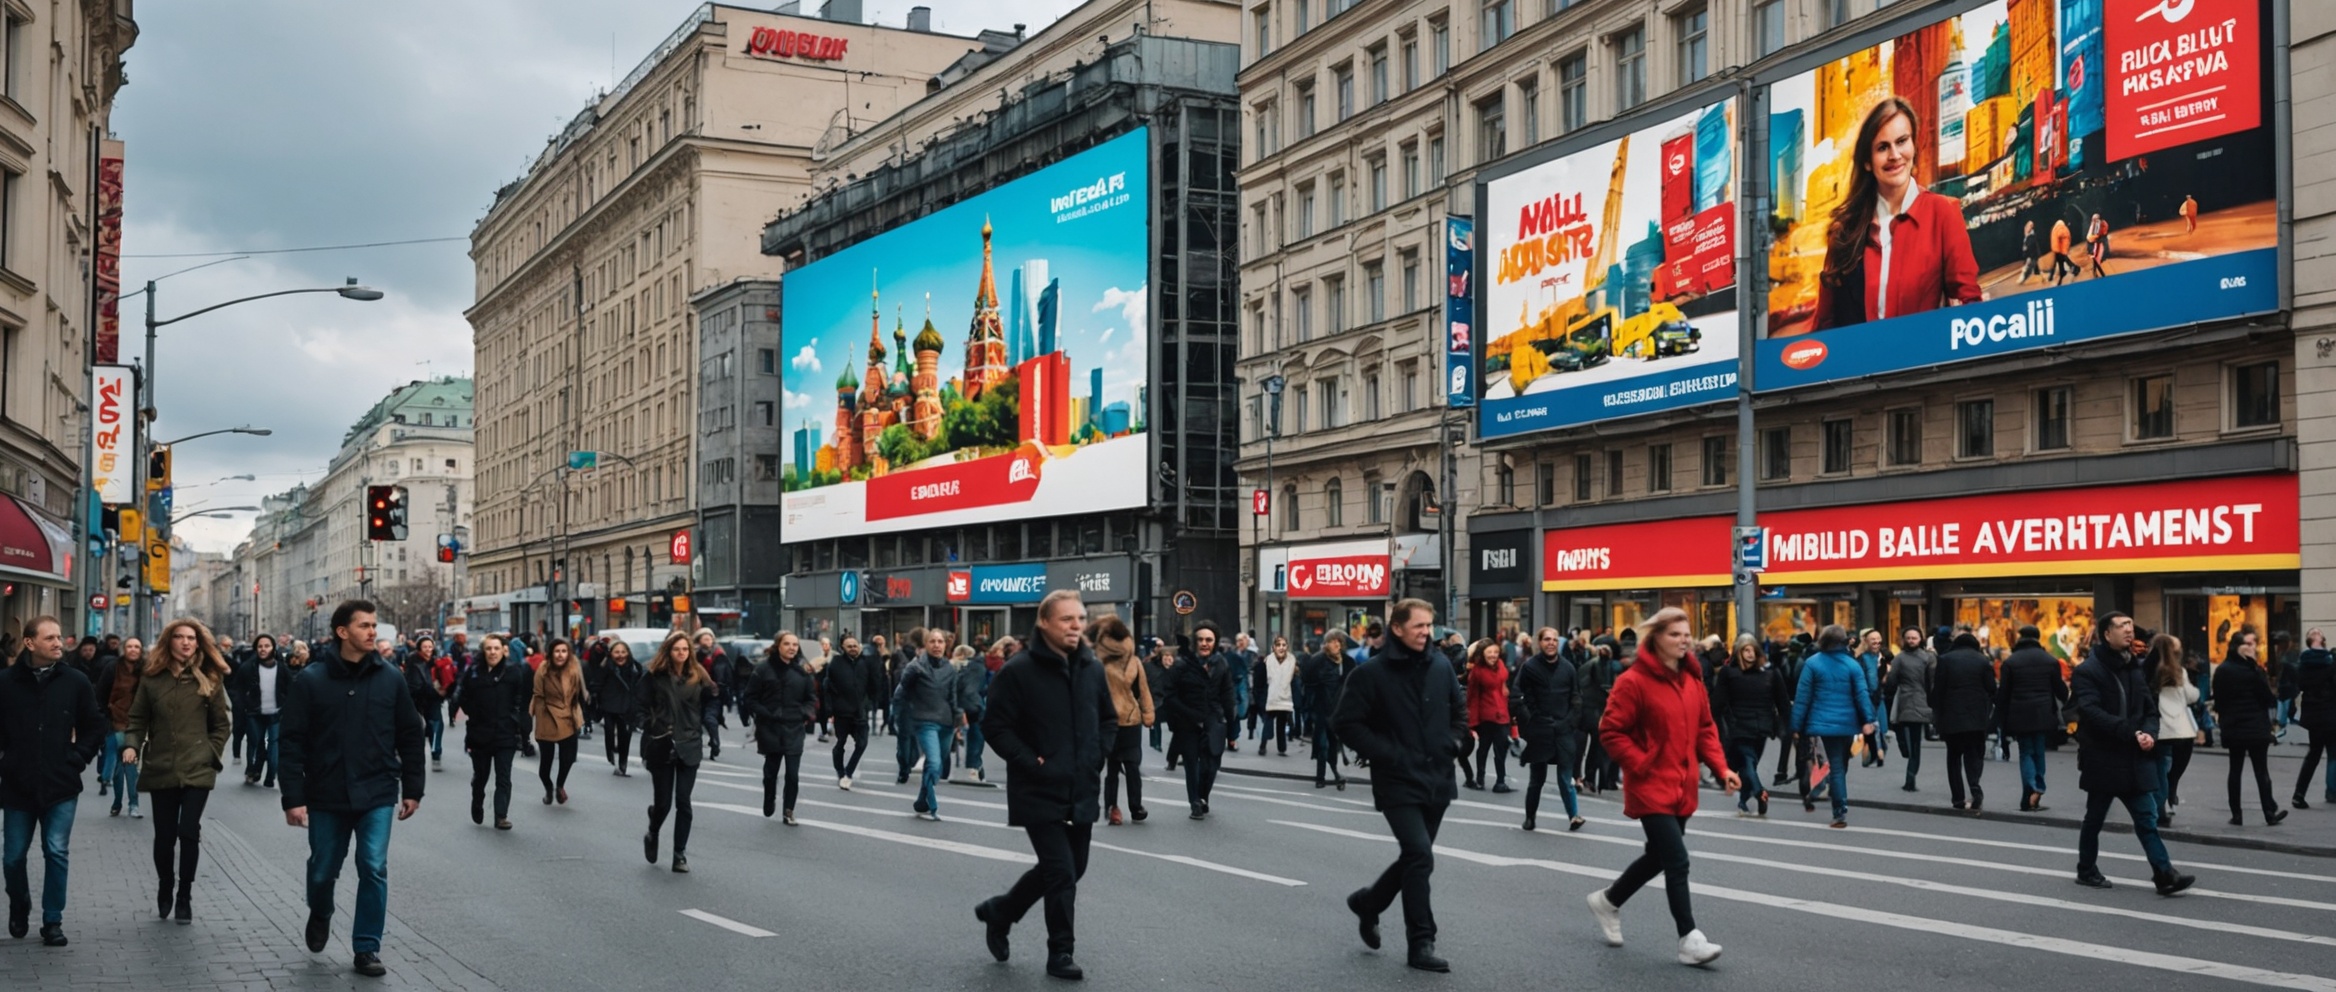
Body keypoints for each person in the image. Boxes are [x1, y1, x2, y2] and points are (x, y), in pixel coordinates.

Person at [974, 589, 1116, 981]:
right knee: (1060, 872)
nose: (1076, 626)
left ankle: (1000, 911)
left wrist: (1097, 754)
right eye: (1067, 619)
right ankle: (1060, 954)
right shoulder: (1019, 670)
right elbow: (995, 726)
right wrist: (1030, 761)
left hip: (1082, 784)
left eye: (1081, 618)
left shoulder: (1092, 668)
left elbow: (1108, 718)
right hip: (1039, 787)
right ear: (1044, 623)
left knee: (1074, 868)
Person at [280, 601, 425, 977]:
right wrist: (293, 798)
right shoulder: (311, 680)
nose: (372, 632)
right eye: (364, 626)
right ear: (342, 632)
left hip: (377, 790)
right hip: (327, 793)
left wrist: (413, 787)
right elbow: (291, 741)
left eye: (374, 625)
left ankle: (366, 947)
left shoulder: (390, 677)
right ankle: (322, 910)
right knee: (322, 870)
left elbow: (410, 734)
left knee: (373, 866)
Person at [1586, 608, 1737, 967]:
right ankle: (1689, 939)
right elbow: (1611, 731)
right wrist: (1640, 763)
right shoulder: (1634, 681)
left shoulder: (1692, 681)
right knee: (1677, 860)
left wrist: (1720, 767)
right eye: (1675, 634)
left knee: (1659, 856)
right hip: (1649, 785)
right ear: (1655, 639)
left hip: (1681, 785)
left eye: (1687, 634)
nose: (1684, 640)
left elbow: (1705, 729)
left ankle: (1608, 900)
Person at [1334, 600, 1465, 973]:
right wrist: (1388, 753)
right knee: (1420, 855)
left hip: (1438, 778)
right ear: (1397, 628)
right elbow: (1345, 723)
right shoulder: (1371, 674)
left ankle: (1368, 904)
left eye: (1430, 625)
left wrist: (1455, 743)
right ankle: (1421, 943)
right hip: (1397, 781)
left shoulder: (1441, 666)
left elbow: (1459, 711)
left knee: (1414, 859)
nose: (1427, 632)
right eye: (1420, 626)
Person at [1811, 97, 1980, 330]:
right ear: (1868, 162)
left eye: (1902, 141)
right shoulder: (1845, 231)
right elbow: (1825, 323)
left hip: (1922, 362)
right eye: (1882, 147)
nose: (1895, 155)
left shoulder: (1943, 212)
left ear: (1913, 145)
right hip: (1858, 364)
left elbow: (1969, 302)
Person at [2070, 613, 2195, 895]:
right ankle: (2086, 869)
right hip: (2103, 757)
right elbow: (2090, 712)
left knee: (2146, 817)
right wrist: (2131, 732)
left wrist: (2150, 732)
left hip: (2135, 757)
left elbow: (2150, 708)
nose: (2129, 631)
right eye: (2122, 627)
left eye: (2130, 626)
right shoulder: (2088, 670)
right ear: (2106, 634)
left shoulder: (2134, 668)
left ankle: (2164, 873)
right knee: (2095, 817)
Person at [1, 617, 107, 947]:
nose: (59, 643)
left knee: (56, 851)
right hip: (18, 784)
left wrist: (77, 759)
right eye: (50, 638)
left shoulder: (75, 681)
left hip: (61, 783)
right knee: (13, 857)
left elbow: (94, 725)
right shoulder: (6, 682)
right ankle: (19, 904)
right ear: (30, 644)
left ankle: (52, 921)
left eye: (60, 637)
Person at [121, 618, 234, 924]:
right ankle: (165, 885)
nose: (186, 643)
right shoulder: (152, 677)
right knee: (164, 836)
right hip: (162, 765)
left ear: (199, 643)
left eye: (192, 638)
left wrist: (211, 752)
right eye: (180, 637)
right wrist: (131, 745)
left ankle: (184, 894)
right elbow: (137, 718)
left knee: (188, 831)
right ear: (168, 641)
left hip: (198, 765)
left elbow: (221, 724)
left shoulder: (209, 677)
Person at [1790, 625, 1876, 828]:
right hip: (1848, 723)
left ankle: (1839, 809)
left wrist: (1795, 725)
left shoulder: (1812, 664)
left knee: (1837, 765)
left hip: (1824, 723)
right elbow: (1862, 695)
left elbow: (1802, 698)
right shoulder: (1852, 664)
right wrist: (1868, 720)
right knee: (1840, 765)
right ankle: (1840, 805)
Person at [641, 630, 712, 870]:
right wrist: (650, 725)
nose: (681, 653)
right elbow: (638, 705)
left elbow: (713, 700)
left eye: (685, 649)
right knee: (663, 804)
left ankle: (679, 854)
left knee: (684, 801)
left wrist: (708, 721)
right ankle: (653, 831)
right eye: (676, 649)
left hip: (690, 744)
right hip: (662, 743)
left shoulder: (698, 675)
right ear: (668, 651)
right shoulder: (654, 676)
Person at [2211, 628, 2286, 826]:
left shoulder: (2223, 670)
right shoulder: (2254, 670)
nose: (2253, 648)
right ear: (2239, 647)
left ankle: (2236, 815)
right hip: (2255, 727)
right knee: (2261, 771)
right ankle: (2269, 813)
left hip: (2234, 727)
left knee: (2235, 770)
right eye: (2249, 644)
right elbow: (2268, 698)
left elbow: (2219, 701)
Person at [458, 634, 531, 830]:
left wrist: (518, 724)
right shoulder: (474, 672)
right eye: (489, 648)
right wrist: (474, 713)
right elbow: (462, 696)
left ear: (503, 650)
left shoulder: (514, 672)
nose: (492, 652)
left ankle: (501, 815)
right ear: (484, 651)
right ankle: (477, 800)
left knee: (504, 776)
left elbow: (521, 701)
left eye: (496, 648)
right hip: (479, 733)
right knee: (481, 775)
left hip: (505, 733)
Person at [1711, 634, 1788, 818]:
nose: (1750, 654)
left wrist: (1788, 726)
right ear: (1738, 652)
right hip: (1740, 728)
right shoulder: (1729, 674)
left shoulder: (1768, 674)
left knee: (1749, 764)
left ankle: (1746, 800)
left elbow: (1782, 702)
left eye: (1753, 650)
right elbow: (1717, 704)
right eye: (1746, 650)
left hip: (1759, 728)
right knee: (1747, 762)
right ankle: (1758, 793)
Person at [1164, 623, 1236, 819]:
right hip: (1188, 721)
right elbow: (1169, 695)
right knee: (1191, 763)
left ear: (1215, 642)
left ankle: (1203, 796)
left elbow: (1228, 694)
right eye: (1201, 640)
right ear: (1195, 642)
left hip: (1214, 718)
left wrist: (1232, 728)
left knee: (1211, 764)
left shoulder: (1221, 663)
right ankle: (1195, 801)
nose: (1205, 643)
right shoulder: (1182, 664)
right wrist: (1185, 714)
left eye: (1209, 640)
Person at [1516, 627, 1583, 831]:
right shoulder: (1529, 668)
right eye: (1546, 639)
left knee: (1565, 777)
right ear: (1539, 642)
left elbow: (1576, 697)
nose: (1551, 643)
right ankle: (1530, 817)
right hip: (1540, 730)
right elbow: (1517, 697)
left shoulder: (1568, 668)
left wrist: (1570, 721)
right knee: (1537, 779)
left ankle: (1574, 816)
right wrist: (1529, 723)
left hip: (1563, 729)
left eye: (1554, 639)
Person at [1996, 626, 2069, 812]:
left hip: (2019, 713)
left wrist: (1999, 719)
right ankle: (2036, 790)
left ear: (2020, 638)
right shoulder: (2050, 660)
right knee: (2039, 751)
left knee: (2026, 752)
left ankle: (2031, 791)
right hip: (2044, 712)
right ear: (2038, 638)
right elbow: (2061, 690)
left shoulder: (2011, 662)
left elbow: (2003, 694)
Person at [746, 633, 815, 823]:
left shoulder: (801, 672)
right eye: (787, 644)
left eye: (795, 644)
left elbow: (811, 699)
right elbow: (750, 698)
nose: (791, 648)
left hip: (794, 728)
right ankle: (769, 799)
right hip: (770, 728)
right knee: (771, 772)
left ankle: (789, 811)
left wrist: (804, 713)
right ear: (778, 646)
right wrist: (765, 713)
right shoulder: (763, 670)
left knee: (792, 774)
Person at [894, 629, 962, 821]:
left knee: (937, 767)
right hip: (924, 721)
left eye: (940, 641)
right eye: (932, 641)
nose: (937, 645)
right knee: (933, 763)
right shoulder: (915, 667)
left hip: (946, 724)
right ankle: (932, 806)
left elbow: (953, 697)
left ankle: (922, 800)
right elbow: (901, 692)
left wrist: (957, 720)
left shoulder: (949, 668)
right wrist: (898, 716)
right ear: (926, 645)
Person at [1930, 631, 1998, 811]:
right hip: (1976, 717)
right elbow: (1991, 687)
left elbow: (1938, 690)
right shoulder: (1983, 660)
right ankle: (1975, 789)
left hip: (1951, 717)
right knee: (1973, 755)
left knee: (1953, 758)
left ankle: (1958, 798)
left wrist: (1936, 712)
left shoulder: (1945, 659)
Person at [1095, 616, 1152, 825]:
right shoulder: (1099, 664)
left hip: (1131, 721)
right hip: (1109, 722)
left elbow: (1143, 688)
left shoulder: (1135, 663)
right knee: (1113, 768)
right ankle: (1113, 808)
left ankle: (1135, 806)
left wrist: (1148, 713)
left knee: (1132, 766)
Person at [2148, 634, 2200, 825]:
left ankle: (2161, 807)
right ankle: (2171, 793)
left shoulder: (2148, 671)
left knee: (2160, 768)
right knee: (2176, 768)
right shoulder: (2179, 671)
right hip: (2182, 729)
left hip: (2160, 728)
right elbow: (2192, 696)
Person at [823, 635, 884, 790]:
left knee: (862, 743)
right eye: (848, 646)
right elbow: (827, 686)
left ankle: (848, 773)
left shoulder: (866, 662)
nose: (852, 648)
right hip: (842, 712)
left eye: (855, 645)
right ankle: (840, 771)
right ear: (843, 648)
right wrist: (830, 708)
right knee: (840, 743)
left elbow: (875, 685)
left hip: (860, 712)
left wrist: (870, 703)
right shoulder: (836, 663)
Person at [531, 638, 586, 806]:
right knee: (545, 765)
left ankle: (560, 785)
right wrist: (537, 719)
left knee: (568, 758)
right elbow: (538, 695)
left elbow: (580, 691)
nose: (560, 655)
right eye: (557, 651)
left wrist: (582, 714)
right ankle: (548, 787)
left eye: (564, 651)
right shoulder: (543, 670)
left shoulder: (574, 667)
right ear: (551, 653)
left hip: (570, 715)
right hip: (548, 715)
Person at [1300, 632, 1354, 789]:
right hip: (1321, 709)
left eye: (1339, 641)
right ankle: (1320, 777)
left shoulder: (1348, 662)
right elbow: (1307, 681)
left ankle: (1335, 773)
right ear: (1326, 644)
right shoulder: (1317, 660)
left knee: (1333, 743)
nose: (1336, 644)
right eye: (1332, 641)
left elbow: (1353, 685)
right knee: (1322, 744)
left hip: (1338, 710)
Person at [102, 638, 147, 818]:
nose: (133, 649)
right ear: (124, 649)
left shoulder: (147, 670)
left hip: (138, 723)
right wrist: (106, 715)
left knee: (127, 763)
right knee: (126, 764)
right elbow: (101, 694)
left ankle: (122, 803)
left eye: (137, 646)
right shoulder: (113, 668)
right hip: (116, 721)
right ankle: (128, 803)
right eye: (130, 646)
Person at [1886, 626, 1934, 792]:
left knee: (1910, 741)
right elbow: (1932, 682)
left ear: (1920, 639)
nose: (1911, 640)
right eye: (1909, 638)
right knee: (1915, 743)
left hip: (1910, 703)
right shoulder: (1926, 658)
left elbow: (1891, 682)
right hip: (1916, 703)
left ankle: (1910, 778)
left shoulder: (1901, 658)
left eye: (1914, 638)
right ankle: (1911, 776)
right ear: (1904, 639)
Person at [1462, 639, 1513, 793]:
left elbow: (1503, 686)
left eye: (1495, 652)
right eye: (1489, 652)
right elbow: (1472, 697)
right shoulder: (1477, 672)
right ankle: (1480, 779)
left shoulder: (1501, 667)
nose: (1493, 655)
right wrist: (1472, 721)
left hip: (1502, 713)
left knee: (1501, 748)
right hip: (1486, 715)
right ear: (1482, 654)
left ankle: (1500, 781)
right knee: (1484, 748)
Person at [2294, 629, 2336, 807]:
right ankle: (2332, 791)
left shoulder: (2304, 661)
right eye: (2315, 632)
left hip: (2313, 714)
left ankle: (2299, 793)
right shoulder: (2329, 661)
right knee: (2333, 753)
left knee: (2314, 753)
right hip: (2329, 712)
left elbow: (2302, 684)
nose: (2319, 632)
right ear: (2313, 640)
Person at [1575, 644, 1624, 793]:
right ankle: (1588, 778)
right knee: (1593, 747)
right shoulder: (1601, 666)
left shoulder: (1589, 665)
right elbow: (1603, 685)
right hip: (1594, 709)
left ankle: (1580, 777)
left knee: (1583, 747)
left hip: (1587, 709)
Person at [402, 636, 450, 772]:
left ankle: (436, 755)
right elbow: (413, 684)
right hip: (417, 699)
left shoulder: (437, 662)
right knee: (416, 729)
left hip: (433, 700)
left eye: (430, 646)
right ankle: (414, 757)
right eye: (425, 647)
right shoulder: (412, 662)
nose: (428, 649)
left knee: (436, 727)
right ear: (419, 649)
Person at [597, 640, 644, 776]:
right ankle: (611, 753)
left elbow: (640, 686)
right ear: (611, 654)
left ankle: (622, 765)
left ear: (628, 653)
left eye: (623, 652)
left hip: (627, 707)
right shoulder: (606, 667)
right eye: (617, 652)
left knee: (625, 736)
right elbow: (598, 684)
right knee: (609, 732)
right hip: (609, 706)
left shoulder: (635, 668)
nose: (620, 655)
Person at [1261, 636, 1298, 756]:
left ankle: (1282, 748)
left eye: (1284, 645)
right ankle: (1263, 745)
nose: (1281, 648)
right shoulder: (1268, 661)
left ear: (1287, 647)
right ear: (1274, 647)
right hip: (1271, 697)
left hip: (1285, 698)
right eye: (1278, 645)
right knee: (1268, 722)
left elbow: (1295, 683)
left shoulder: (1292, 661)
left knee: (1281, 725)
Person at [2085, 212, 2112, 278]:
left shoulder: (2098, 224)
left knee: (2096, 260)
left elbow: (2099, 234)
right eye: (2093, 219)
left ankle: (2097, 273)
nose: (2094, 220)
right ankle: (2100, 274)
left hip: (2093, 243)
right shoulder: (2095, 224)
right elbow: (2094, 236)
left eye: (2095, 219)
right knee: (2096, 260)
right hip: (2092, 243)